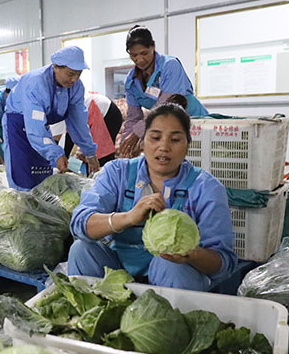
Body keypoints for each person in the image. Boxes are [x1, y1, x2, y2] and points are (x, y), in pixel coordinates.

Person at [68, 103, 237, 291]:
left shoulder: (206, 188)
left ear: (188, 144)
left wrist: (192, 254)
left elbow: (224, 263)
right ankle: (95, 315)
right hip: (118, 272)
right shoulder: (118, 173)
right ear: (142, 142)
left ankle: (167, 318)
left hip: (175, 278)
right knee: (81, 250)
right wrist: (128, 217)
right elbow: (79, 224)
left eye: (175, 140)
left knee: (171, 266)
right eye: (155, 137)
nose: (163, 147)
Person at [2, 46, 100, 191]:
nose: (74, 79)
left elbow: (78, 122)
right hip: (19, 128)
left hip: (41, 127)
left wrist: (89, 152)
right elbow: (34, 126)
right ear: (55, 67)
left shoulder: (76, 87)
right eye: (70, 74)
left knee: (42, 178)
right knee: (23, 177)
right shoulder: (36, 83)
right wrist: (56, 154)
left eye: (78, 74)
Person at [118, 25, 208, 158]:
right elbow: (133, 118)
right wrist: (125, 145)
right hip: (166, 127)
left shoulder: (169, 66)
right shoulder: (131, 81)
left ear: (153, 46)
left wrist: (136, 134)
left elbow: (165, 107)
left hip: (194, 121)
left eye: (144, 53)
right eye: (134, 55)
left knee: (199, 159)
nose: (140, 60)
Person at [60, 91, 123, 166]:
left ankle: (103, 176)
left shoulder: (62, 110)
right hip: (100, 114)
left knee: (101, 156)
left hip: (108, 114)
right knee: (95, 156)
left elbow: (79, 134)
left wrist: (63, 158)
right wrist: (65, 157)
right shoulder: (64, 111)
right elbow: (70, 136)